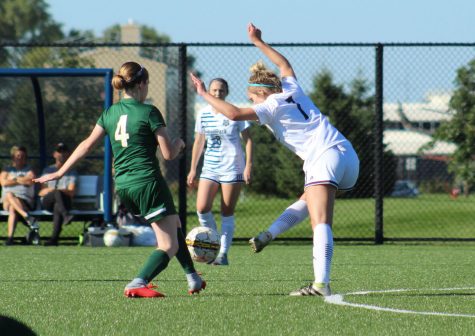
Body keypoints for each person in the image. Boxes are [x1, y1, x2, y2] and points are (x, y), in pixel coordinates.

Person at [190, 23, 360, 297]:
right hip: (347, 155)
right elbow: (284, 64)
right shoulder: (291, 88)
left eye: (251, 98)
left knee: (321, 222)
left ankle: (321, 284)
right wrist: (258, 41)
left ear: (261, 94)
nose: (251, 103)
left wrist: (203, 94)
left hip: (323, 155)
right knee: (308, 200)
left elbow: (233, 114)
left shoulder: (270, 105)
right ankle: (269, 234)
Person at [34, 61, 205, 298]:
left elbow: (85, 145)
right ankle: (138, 282)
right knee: (168, 245)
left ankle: (193, 277)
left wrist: (60, 172)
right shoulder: (149, 112)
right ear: (142, 83)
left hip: (123, 185)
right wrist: (181, 144)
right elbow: (169, 154)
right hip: (148, 182)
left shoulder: (110, 112)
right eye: (148, 84)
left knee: (174, 225)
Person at [187, 78, 253, 266]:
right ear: (209, 91)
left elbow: (248, 141)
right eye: (214, 90)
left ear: (227, 92)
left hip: (232, 167)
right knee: (201, 208)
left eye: (221, 91)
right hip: (210, 167)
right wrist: (193, 169)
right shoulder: (203, 113)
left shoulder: (235, 112)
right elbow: (199, 142)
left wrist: (248, 165)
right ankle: (212, 243)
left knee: (226, 211)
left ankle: (223, 254)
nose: (217, 94)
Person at [38, 143, 77, 246]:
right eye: (59, 151)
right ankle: (66, 215)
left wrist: (58, 191)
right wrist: (54, 190)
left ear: (68, 154)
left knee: (57, 205)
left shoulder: (71, 171)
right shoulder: (47, 170)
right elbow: (41, 192)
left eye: (64, 151)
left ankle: (53, 239)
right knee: (57, 193)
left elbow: (71, 192)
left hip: (64, 201)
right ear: (54, 154)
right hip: (47, 201)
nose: (62, 154)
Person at [0, 146, 37, 245]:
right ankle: (27, 217)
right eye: (18, 156)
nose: (20, 158)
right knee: (9, 194)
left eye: (23, 156)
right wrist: (20, 179)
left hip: (24, 200)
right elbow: (3, 182)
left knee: (13, 207)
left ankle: (10, 238)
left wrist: (12, 180)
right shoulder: (7, 170)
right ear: (13, 157)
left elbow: (30, 181)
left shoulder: (29, 169)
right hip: (6, 202)